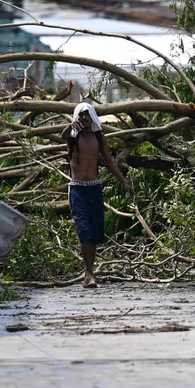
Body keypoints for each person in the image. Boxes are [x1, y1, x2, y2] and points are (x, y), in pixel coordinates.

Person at [65, 102, 132, 288]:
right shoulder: (72, 136)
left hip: (94, 188)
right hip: (77, 188)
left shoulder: (99, 137)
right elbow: (63, 136)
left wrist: (124, 182)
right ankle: (89, 273)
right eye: (81, 116)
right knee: (84, 231)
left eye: (87, 115)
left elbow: (110, 163)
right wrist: (69, 126)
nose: (84, 119)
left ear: (92, 117)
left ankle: (90, 272)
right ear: (77, 118)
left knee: (94, 233)